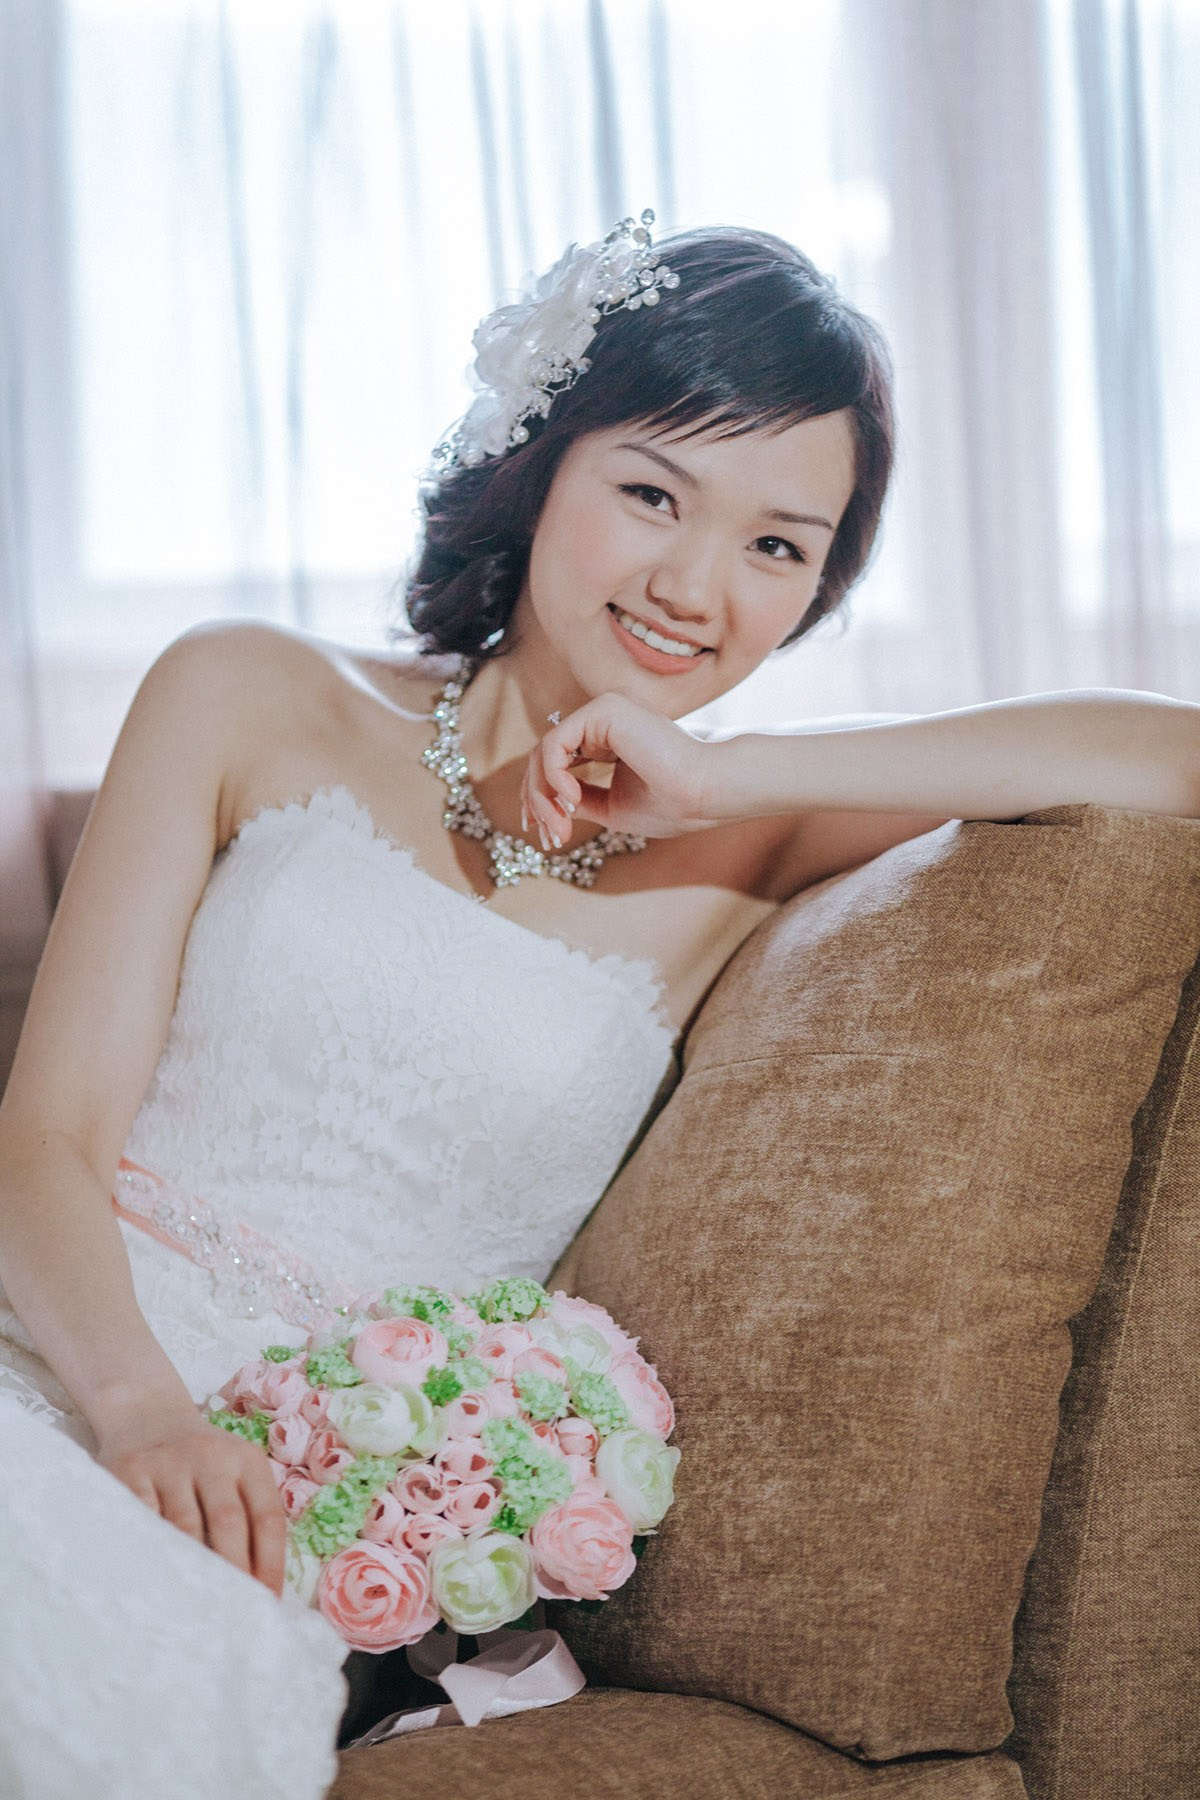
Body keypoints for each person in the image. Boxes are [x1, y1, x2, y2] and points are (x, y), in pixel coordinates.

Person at [0, 214, 1197, 1800]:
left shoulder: (754, 849)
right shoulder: (246, 690)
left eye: (781, 544)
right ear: (539, 460)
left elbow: (1172, 759)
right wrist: (142, 1412)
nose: (698, 586)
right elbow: (47, 1132)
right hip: (66, 1365)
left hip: (300, 1511)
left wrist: (725, 771)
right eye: (653, 492)